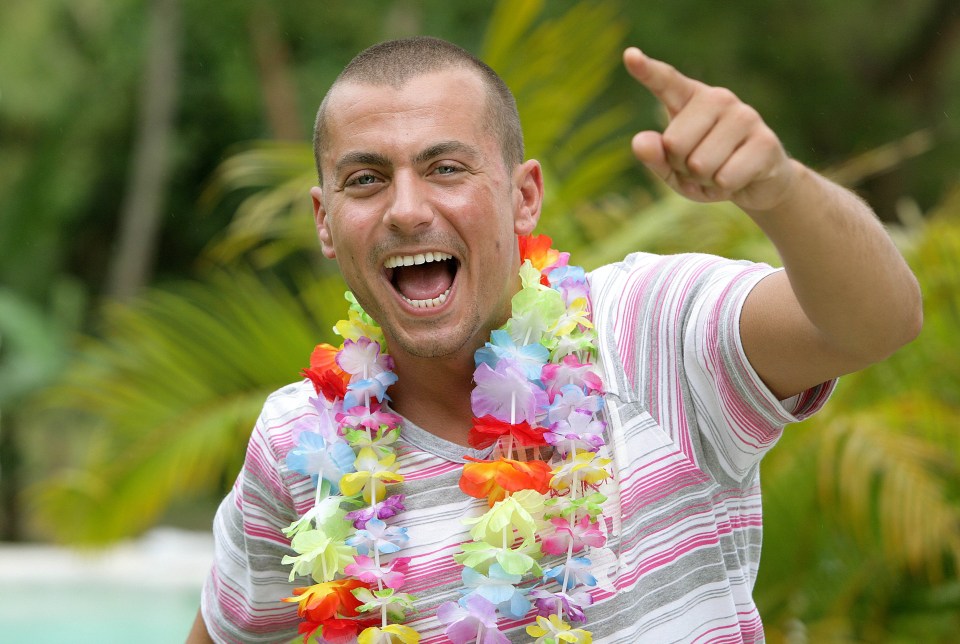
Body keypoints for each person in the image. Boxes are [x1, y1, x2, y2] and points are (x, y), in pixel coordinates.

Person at [187, 36, 921, 643]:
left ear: (524, 194)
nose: (406, 210)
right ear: (324, 219)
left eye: (446, 168)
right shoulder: (301, 449)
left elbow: (877, 323)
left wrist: (781, 190)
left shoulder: (647, 331)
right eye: (366, 179)